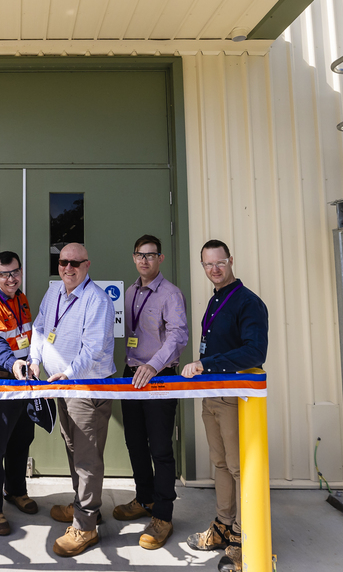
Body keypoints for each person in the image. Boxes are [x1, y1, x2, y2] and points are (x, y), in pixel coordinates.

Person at [19, 242, 115, 557]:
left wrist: (70, 372)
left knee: (87, 458)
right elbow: (40, 328)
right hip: (62, 386)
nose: (68, 268)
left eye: (75, 263)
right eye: (63, 262)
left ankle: (86, 528)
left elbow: (95, 347)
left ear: (87, 266)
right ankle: (85, 508)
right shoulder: (54, 293)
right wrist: (34, 360)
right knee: (73, 449)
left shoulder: (96, 300)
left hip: (86, 388)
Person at [181, 239, 268, 570]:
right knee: (219, 464)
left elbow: (254, 352)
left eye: (220, 263)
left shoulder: (248, 303)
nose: (214, 270)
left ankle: (244, 538)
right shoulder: (218, 300)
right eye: (208, 265)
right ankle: (222, 525)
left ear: (231, 260)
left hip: (233, 397)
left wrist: (207, 364)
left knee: (237, 467)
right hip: (211, 394)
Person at [113, 235, 189, 550]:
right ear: (134, 258)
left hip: (159, 377)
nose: (144, 260)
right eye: (140, 255)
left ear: (160, 259)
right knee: (134, 442)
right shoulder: (129, 292)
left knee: (160, 448)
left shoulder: (170, 294)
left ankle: (163, 514)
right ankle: (144, 499)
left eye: (151, 255)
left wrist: (154, 366)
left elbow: (178, 336)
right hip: (132, 376)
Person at [0, 250, 37, 536]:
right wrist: (14, 364)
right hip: (2, 380)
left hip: (23, 380)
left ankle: (15, 490)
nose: (11, 279)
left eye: (15, 272)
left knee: (23, 437)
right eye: (4, 274)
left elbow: (28, 335)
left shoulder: (21, 299)